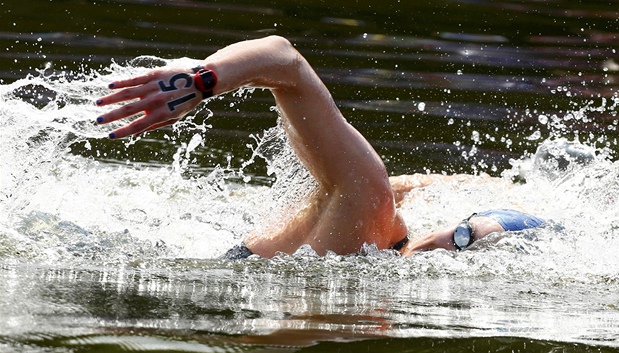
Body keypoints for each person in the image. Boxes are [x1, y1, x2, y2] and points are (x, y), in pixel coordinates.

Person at [95, 36, 544, 259]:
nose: (444, 241)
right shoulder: (367, 203)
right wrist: (201, 80)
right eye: (459, 237)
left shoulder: (352, 217)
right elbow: (283, 56)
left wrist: (201, 80)